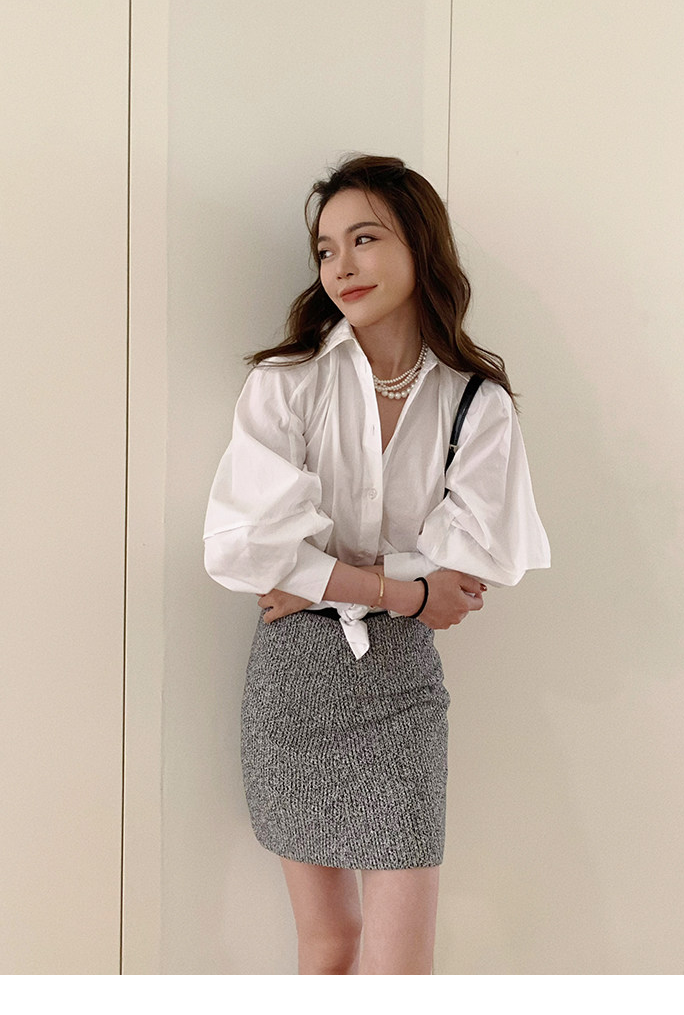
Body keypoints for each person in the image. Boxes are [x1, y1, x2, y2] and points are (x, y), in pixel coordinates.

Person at [203, 154, 550, 974]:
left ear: (420, 245)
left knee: (401, 967)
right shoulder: (287, 383)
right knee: (329, 944)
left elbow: (472, 568)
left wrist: (325, 577)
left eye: (365, 239)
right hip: (295, 681)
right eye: (326, 249)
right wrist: (404, 588)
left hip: (399, 688)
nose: (342, 266)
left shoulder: (475, 402)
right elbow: (243, 547)